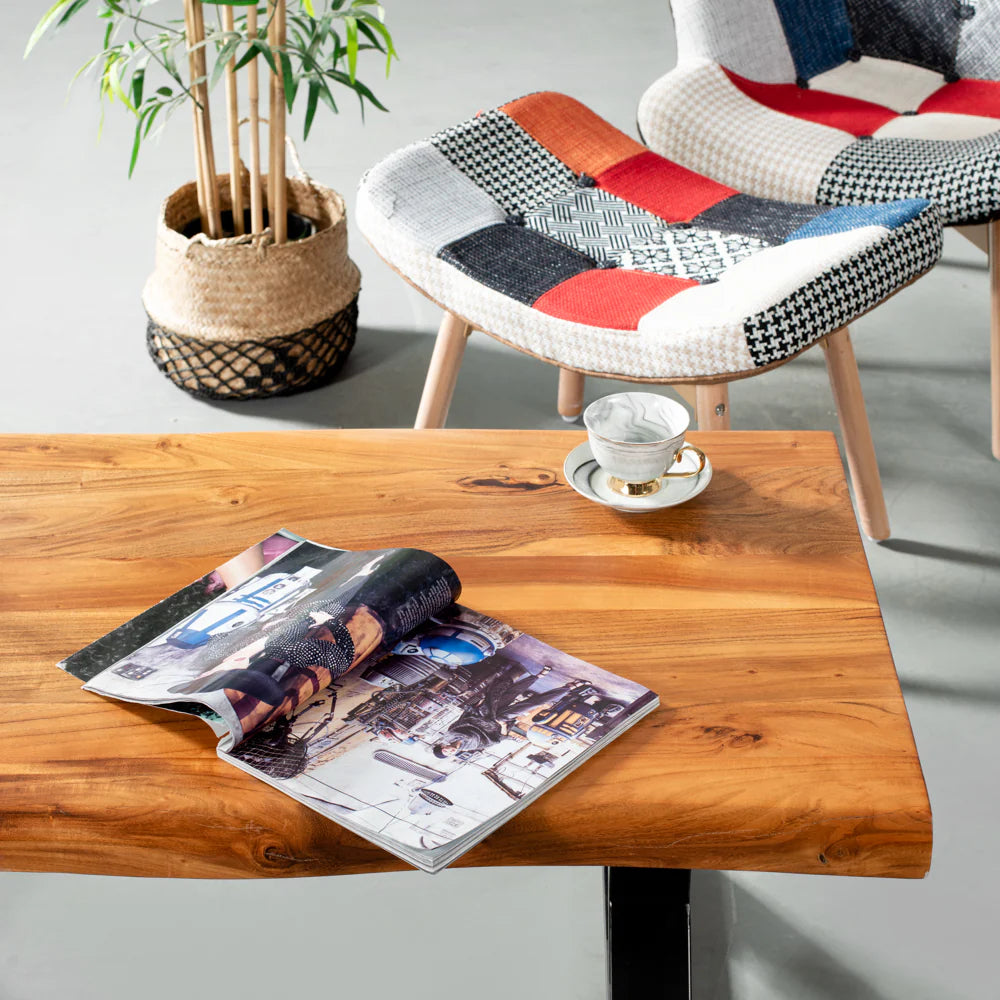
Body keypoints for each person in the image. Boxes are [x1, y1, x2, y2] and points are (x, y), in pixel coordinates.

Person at [431, 661, 559, 757]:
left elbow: (463, 718)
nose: (449, 751)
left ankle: (537, 676)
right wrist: (502, 725)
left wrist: (476, 705)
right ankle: (566, 688)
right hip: (499, 720)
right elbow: (498, 739)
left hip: (484, 712)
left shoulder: (450, 734)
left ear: (442, 745)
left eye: (445, 750)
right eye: (448, 754)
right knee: (530, 704)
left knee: (502, 691)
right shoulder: (470, 747)